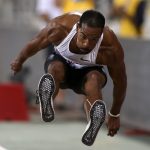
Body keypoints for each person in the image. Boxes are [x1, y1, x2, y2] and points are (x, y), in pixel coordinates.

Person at [11, 10, 127, 146]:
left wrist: (114, 114)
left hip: (87, 73)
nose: (87, 44)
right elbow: (35, 43)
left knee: (94, 79)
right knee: (56, 69)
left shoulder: (110, 47)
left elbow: (120, 82)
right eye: (83, 37)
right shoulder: (60, 27)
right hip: (61, 66)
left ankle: (93, 121)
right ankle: (47, 99)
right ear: (78, 27)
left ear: (101, 34)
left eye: (94, 39)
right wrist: (19, 61)